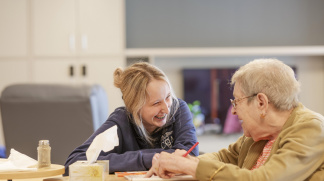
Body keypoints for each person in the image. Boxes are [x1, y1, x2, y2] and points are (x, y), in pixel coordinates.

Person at [146, 58, 324, 180]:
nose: (233, 112)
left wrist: (190, 167)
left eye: (236, 102)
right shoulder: (258, 134)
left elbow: (264, 179)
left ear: (261, 102)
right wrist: (182, 161)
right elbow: (224, 156)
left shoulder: (311, 128)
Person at [64, 62, 199, 174]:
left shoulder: (178, 109)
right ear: (135, 107)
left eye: (168, 97)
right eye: (156, 103)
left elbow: (189, 156)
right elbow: (74, 162)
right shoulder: (121, 121)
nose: (166, 108)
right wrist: (148, 159)